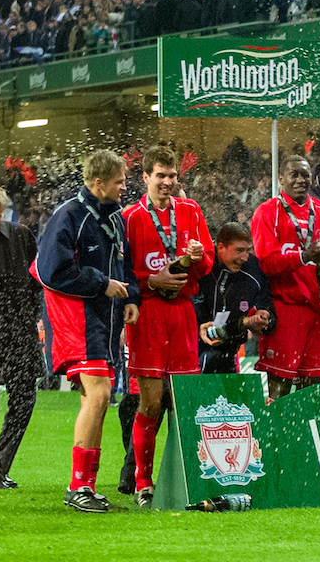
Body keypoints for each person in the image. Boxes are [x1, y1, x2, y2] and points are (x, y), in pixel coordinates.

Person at [35, 149, 140, 512]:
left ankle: (87, 487)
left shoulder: (114, 218)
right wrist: (101, 284)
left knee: (97, 398)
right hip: (75, 318)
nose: (125, 187)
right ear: (98, 183)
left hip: (102, 319)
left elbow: (122, 264)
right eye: (119, 181)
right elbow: (49, 271)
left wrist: (130, 296)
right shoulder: (69, 216)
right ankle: (78, 487)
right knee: (98, 396)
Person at [121, 145, 214, 507]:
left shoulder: (190, 210)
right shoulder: (131, 217)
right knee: (151, 403)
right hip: (148, 314)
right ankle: (143, 484)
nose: (167, 182)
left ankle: (188, 479)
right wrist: (151, 281)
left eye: (172, 176)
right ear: (145, 177)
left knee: (185, 401)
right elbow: (125, 273)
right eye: (160, 175)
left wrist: (196, 258)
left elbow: (206, 266)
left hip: (182, 314)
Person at [250, 155, 320, 399]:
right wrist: (303, 257)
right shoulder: (266, 213)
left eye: (305, 175)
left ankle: (304, 437)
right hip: (286, 310)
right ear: (281, 178)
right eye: (293, 175)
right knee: (279, 389)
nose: (300, 180)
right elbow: (267, 264)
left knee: (314, 389)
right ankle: (274, 437)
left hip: (318, 313)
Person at [0, 184, 42, 489]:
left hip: (20, 335)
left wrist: (34, 317)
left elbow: (38, 279)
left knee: (24, 403)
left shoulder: (22, 236)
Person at [194, 222, 275, 374]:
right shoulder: (201, 266)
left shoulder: (254, 270)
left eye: (247, 251)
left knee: (227, 397)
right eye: (239, 251)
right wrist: (198, 327)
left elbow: (267, 310)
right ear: (220, 247)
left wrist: (263, 315)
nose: (244, 257)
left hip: (229, 352)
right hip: (193, 352)